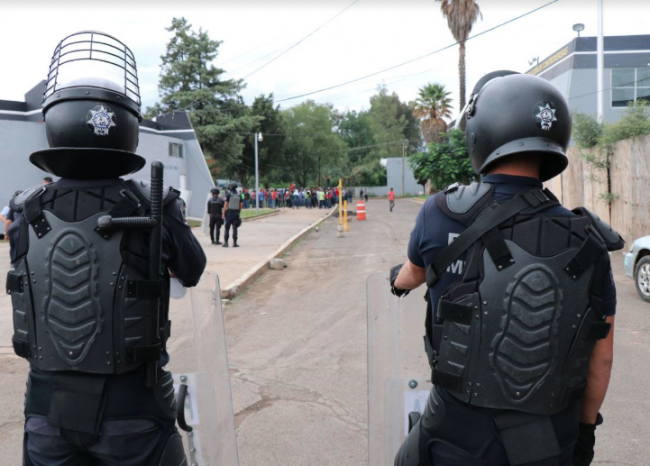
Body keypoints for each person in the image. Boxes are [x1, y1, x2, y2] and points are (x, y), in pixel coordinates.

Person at [390, 72, 623, 466]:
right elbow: (602, 356)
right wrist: (584, 432)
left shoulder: (440, 212)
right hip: (551, 440)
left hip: (453, 436)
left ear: (481, 133)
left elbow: (410, 276)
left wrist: (395, 280)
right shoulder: (590, 240)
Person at [6, 31, 207, 465]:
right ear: (127, 128)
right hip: (133, 417)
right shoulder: (153, 205)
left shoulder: (24, 208)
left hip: (45, 415)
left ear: (55, 124)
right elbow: (192, 270)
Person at [223, 182, 242, 248]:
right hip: (236, 212)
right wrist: (239, 211)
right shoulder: (239, 195)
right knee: (235, 228)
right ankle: (235, 243)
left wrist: (223, 212)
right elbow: (241, 204)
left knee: (227, 227)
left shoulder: (228, 195)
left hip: (229, 212)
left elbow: (226, 204)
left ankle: (226, 243)